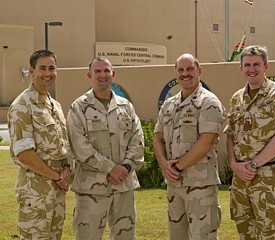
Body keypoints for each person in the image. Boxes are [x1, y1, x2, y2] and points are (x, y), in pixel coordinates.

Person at [224, 45, 275, 239]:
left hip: (267, 177)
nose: (252, 69)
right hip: (240, 177)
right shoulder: (237, 98)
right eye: (247, 65)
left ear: (266, 66)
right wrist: (233, 164)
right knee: (245, 232)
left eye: (256, 64)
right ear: (241, 68)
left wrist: (254, 164)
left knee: (270, 232)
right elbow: (230, 135)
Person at [67, 56, 144, 240]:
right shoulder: (79, 108)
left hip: (123, 187)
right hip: (92, 189)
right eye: (98, 71)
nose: (103, 75)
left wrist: (124, 168)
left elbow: (138, 141)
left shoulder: (126, 107)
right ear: (89, 75)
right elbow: (80, 147)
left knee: (125, 236)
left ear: (113, 74)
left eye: (106, 71)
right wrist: (111, 168)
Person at [153, 53, 226, 240]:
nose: (185, 74)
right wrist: (164, 165)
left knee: (203, 236)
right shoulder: (169, 105)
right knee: (176, 236)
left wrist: (177, 167)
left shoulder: (208, 102)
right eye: (181, 70)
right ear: (176, 73)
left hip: (200, 185)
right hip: (175, 185)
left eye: (190, 69)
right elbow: (158, 137)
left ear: (199, 71)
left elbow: (206, 141)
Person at [7, 50, 71, 240]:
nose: (47, 73)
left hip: (57, 192)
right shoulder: (22, 105)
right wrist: (57, 176)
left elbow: (62, 146)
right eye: (42, 68)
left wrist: (66, 169)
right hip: (35, 195)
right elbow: (24, 154)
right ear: (31, 71)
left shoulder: (55, 106)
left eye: (52, 68)